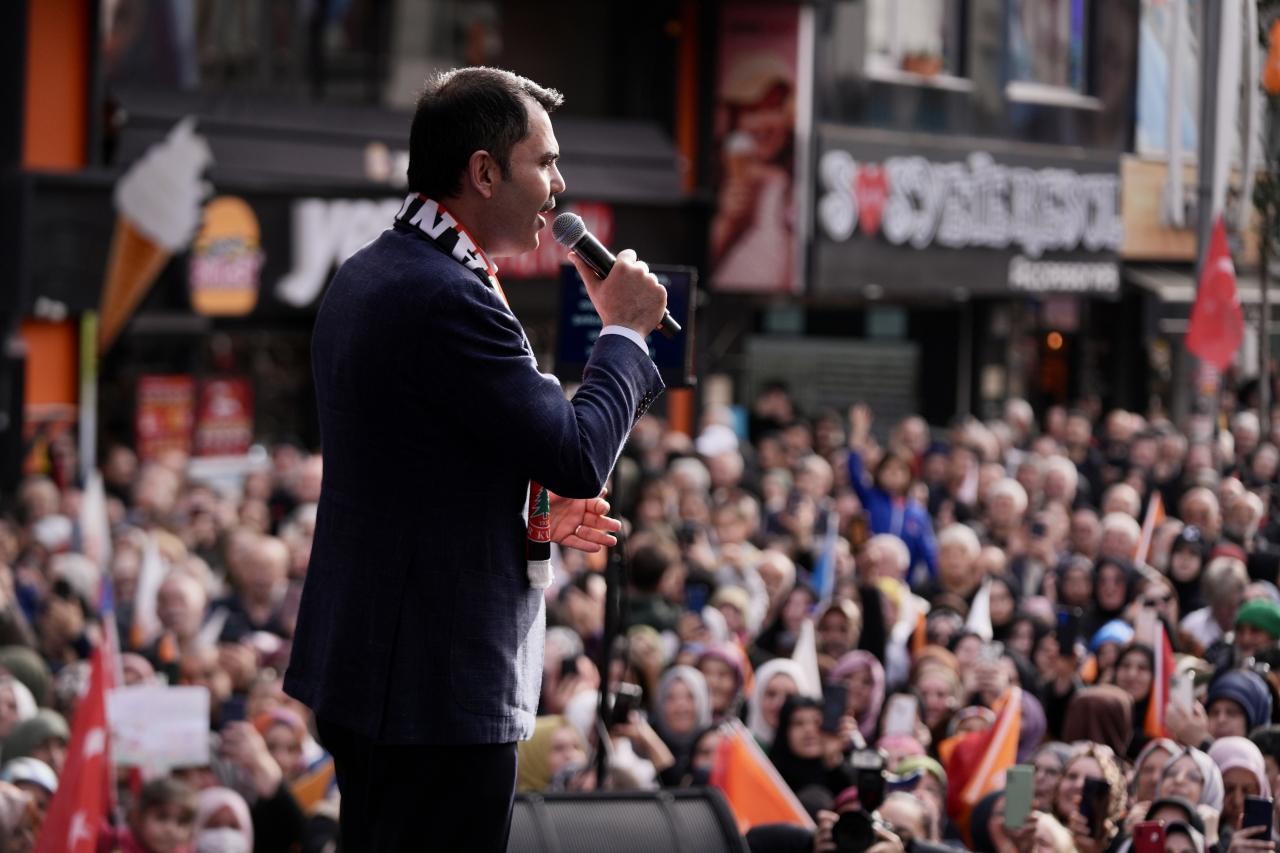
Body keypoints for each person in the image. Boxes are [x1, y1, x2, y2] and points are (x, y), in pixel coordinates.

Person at [283, 66, 668, 852]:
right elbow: (578, 454)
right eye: (545, 162)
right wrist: (624, 332)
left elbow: (421, 463)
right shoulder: (448, 294)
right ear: (484, 172)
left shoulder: (373, 270)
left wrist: (530, 508)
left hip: (383, 677)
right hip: (435, 696)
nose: (559, 186)